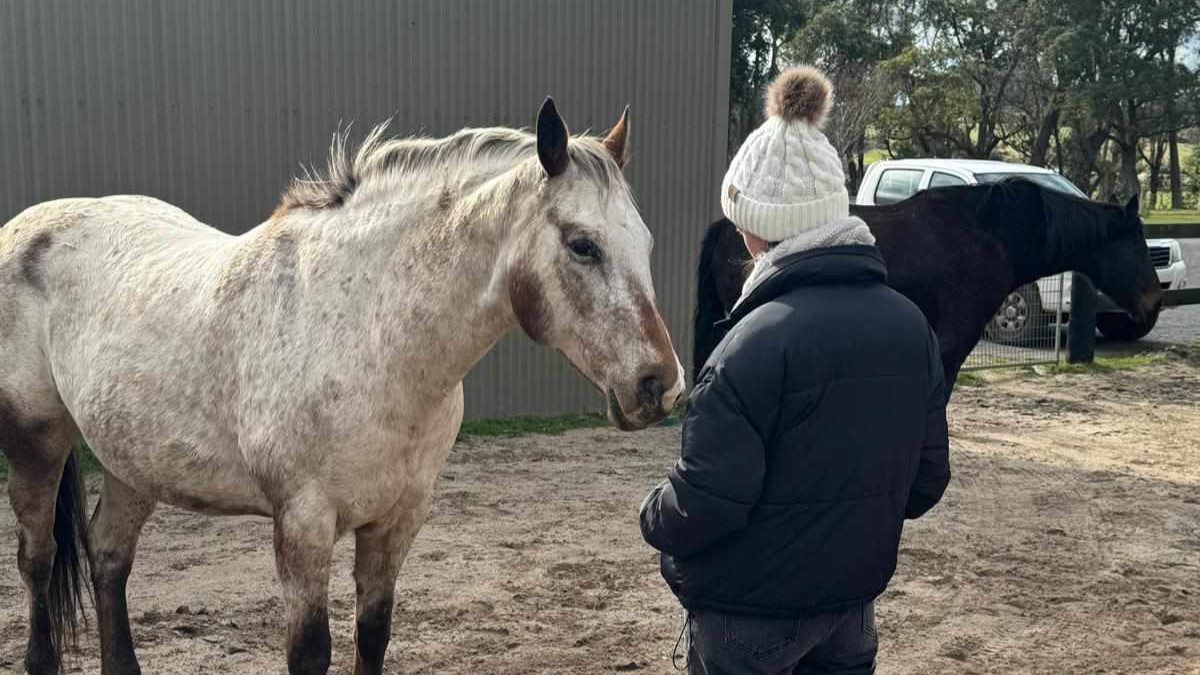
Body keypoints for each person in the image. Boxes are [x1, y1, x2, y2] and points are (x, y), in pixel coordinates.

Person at [639, 66, 951, 675]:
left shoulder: (751, 343)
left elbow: (706, 501)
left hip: (746, 620)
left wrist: (653, 512)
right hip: (851, 613)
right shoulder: (910, 326)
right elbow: (926, 482)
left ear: (753, 226)